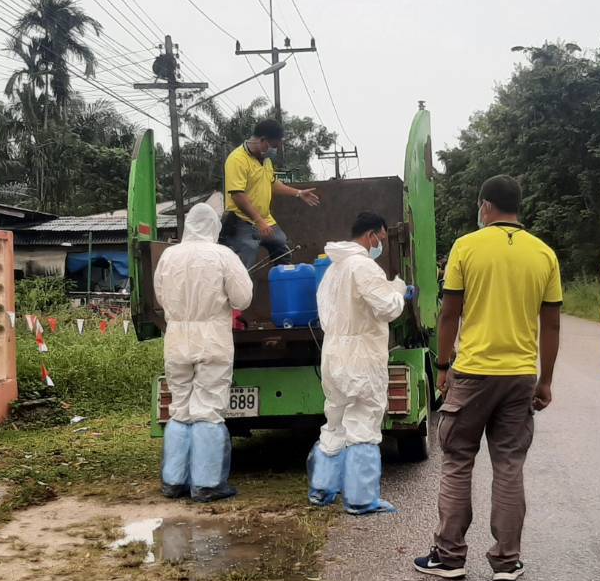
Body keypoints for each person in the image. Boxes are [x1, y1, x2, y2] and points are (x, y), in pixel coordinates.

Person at [414, 175, 561, 581]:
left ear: (485, 206)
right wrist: (545, 381)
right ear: (519, 207)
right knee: (509, 465)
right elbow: (550, 326)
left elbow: (449, 314)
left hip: (474, 372)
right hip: (519, 376)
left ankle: (449, 556)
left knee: (459, 460)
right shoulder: (544, 254)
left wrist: (443, 367)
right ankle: (507, 560)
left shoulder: (466, 247)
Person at [307, 212, 415, 514]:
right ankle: (360, 499)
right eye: (380, 238)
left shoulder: (333, 269)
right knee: (363, 422)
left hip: (334, 351)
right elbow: (387, 308)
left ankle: (321, 489)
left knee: (336, 420)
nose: (381, 243)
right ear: (371, 235)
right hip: (360, 354)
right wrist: (400, 293)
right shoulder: (363, 266)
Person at [153, 203, 254, 502]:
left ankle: (174, 481)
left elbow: (160, 296)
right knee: (208, 410)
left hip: (176, 340)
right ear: (214, 227)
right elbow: (243, 298)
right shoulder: (223, 256)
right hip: (212, 341)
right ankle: (208, 484)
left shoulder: (168, 256)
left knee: (180, 408)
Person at [219, 119, 321, 268]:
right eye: (273, 146)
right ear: (262, 140)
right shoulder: (237, 160)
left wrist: (298, 193)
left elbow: (272, 183)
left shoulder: (266, 160)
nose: (274, 150)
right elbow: (237, 195)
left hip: (265, 219)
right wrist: (259, 221)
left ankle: (284, 284)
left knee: (283, 250)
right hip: (242, 221)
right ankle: (243, 290)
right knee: (244, 265)